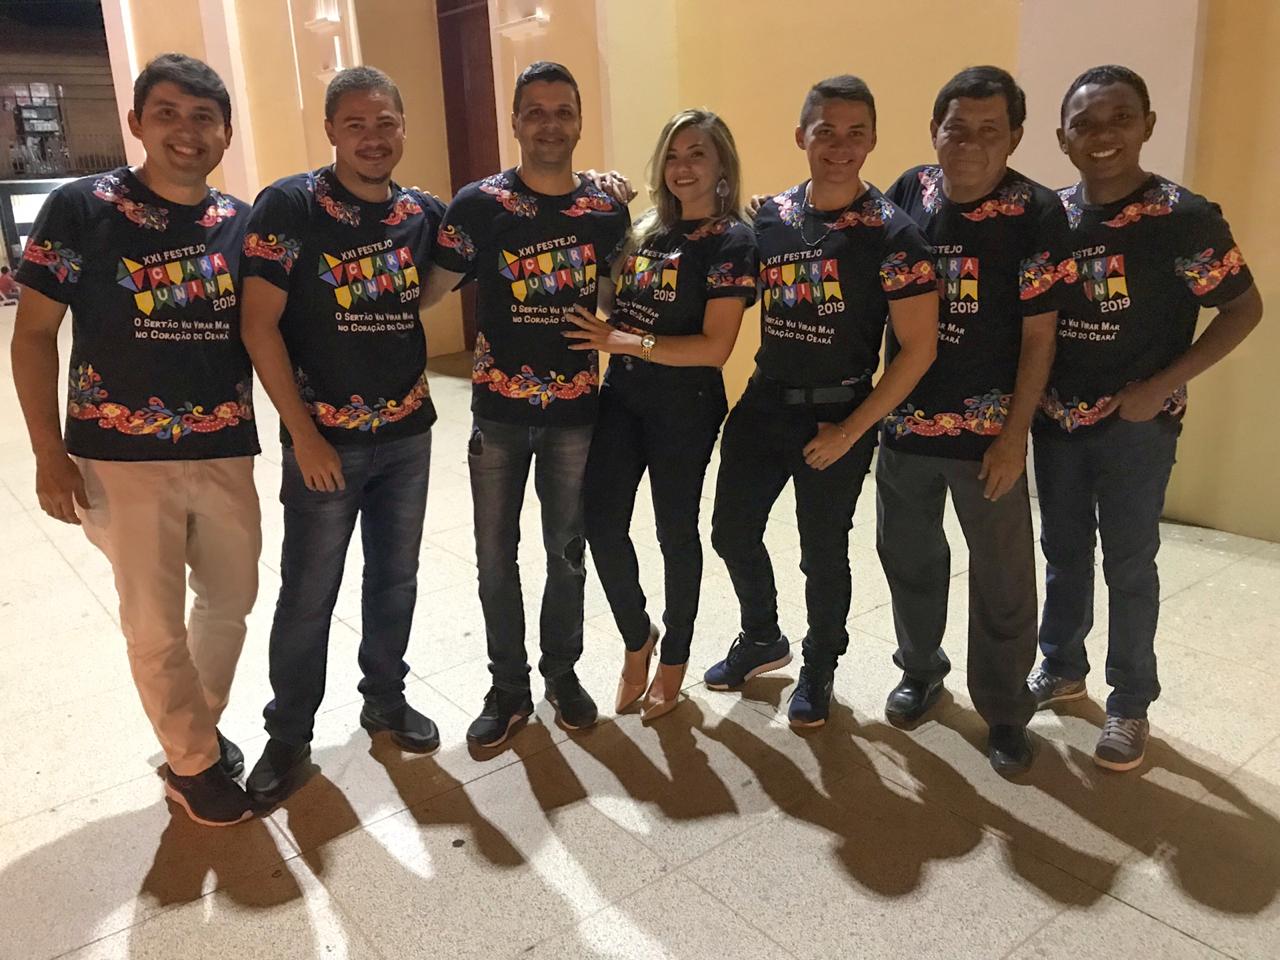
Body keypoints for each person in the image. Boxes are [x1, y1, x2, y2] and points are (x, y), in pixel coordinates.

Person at [10, 54, 260, 826]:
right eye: (169, 114)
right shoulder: (81, 208)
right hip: (120, 455)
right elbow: (32, 336)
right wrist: (48, 454)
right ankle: (193, 762)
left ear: (225, 132)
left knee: (232, 599)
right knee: (153, 620)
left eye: (204, 117)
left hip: (224, 445)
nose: (187, 131)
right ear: (137, 122)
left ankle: (195, 731)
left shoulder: (242, 221)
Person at [1031, 65, 1263, 771]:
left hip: (1137, 427)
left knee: (1129, 561)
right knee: (1063, 551)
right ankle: (1061, 666)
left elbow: (1243, 308)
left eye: (1120, 118)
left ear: (1147, 126)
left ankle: (1130, 702)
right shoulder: (1053, 216)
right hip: (1057, 422)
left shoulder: (1182, 218)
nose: (1102, 135)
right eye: (1085, 124)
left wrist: (1160, 387)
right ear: (1063, 138)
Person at [239, 66, 445, 805]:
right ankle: (289, 733)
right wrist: (304, 436)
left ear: (402, 127)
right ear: (330, 130)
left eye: (385, 122)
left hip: (408, 434)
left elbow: (465, 255)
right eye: (355, 124)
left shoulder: (422, 212)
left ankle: (384, 698)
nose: (372, 137)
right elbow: (258, 325)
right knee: (309, 591)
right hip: (324, 441)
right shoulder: (291, 204)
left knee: (395, 578)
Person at [706, 75, 938, 728]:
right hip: (764, 402)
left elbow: (918, 349)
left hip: (839, 414)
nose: (840, 146)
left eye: (855, 133)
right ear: (801, 135)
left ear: (873, 141)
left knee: (823, 553)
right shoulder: (771, 218)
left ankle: (819, 665)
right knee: (731, 531)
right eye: (826, 131)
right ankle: (761, 636)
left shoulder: (894, 236)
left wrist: (851, 430)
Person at [874, 66, 1072, 774]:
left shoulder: (1036, 212)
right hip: (905, 428)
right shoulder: (909, 191)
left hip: (988, 437)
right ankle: (921, 671)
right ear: (935, 130)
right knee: (909, 558)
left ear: (1014, 137)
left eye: (991, 130)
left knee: (1003, 579)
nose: (970, 143)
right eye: (957, 128)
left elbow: (1041, 338)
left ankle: (1006, 710)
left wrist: (1014, 438)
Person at [429, 61, 630, 747]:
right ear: (515, 121)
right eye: (535, 112)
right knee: (495, 557)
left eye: (562, 111)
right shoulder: (478, 205)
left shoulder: (605, 210)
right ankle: (508, 687)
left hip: (576, 414)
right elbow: (429, 289)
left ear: (579, 121)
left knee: (567, 552)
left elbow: (615, 298)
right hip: (499, 414)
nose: (550, 124)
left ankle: (562, 675)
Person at [563, 109, 756, 721]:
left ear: (721, 165)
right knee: (600, 522)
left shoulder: (733, 241)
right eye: (673, 155)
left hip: (685, 406)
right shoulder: (646, 230)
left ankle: (675, 657)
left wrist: (624, 341)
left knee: (675, 532)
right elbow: (611, 303)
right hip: (622, 396)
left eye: (697, 154)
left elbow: (714, 348)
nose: (683, 167)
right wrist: (600, 206)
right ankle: (636, 635)